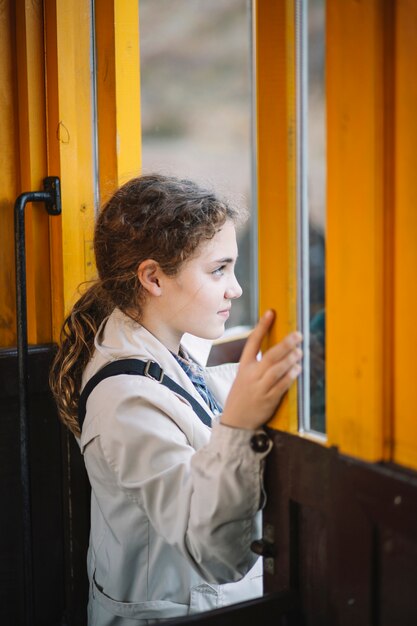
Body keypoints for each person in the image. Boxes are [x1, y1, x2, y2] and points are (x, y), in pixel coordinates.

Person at [50, 174, 302, 626]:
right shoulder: (125, 402)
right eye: (218, 270)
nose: (236, 288)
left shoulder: (154, 333)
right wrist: (240, 423)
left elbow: (194, 385)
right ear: (152, 278)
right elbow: (216, 553)